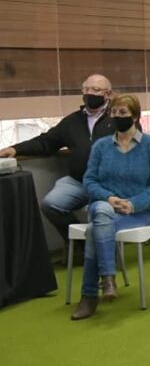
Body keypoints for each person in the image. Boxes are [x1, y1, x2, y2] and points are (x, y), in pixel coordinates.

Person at [70, 94, 150, 320]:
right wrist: (110, 198)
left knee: (94, 229)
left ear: (135, 116)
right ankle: (108, 279)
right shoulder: (101, 146)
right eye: (114, 113)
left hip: (135, 212)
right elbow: (89, 180)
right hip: (104, 205)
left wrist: (133, 204)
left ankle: (90, 294)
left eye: (123, 113)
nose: (117, 117)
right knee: (102, 211)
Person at [0, 74, 114, 243]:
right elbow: (46, 142)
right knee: (51, 204)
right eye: (86, 89)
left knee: (99, 211)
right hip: (78, 181)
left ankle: (102, 250)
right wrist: (15, 149)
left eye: (96, 90)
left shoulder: (119, 117)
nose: (89, 93)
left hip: (110, 183)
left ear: (108, 94)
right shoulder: (72, 121)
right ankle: (81, 244)